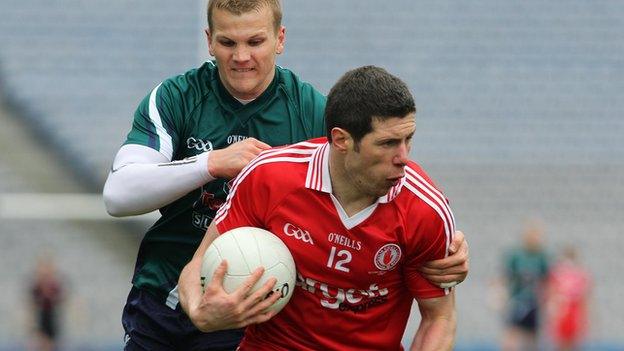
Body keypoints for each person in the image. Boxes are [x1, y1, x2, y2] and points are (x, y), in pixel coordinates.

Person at [103, 0, 468, 349]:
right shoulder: (176, 97)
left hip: (251, 301)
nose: (242, 56)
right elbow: (119, 195)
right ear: (209, 41)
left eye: (255, 41)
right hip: (164, 287)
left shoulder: (315, 114)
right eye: (228, 42)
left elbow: (375, 173)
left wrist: (444, 244)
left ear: (280, 39)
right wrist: (210, 163)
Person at [179, 65, 457, 350]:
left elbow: (439, 318)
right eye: (387, 143)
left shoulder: (425, 209)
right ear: (341, 140)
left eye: (407, 139)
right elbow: (198, 263)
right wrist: (201, 312)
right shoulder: (269, 177)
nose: (403, 157)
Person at [501, 221, 550, 351]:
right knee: (512, 333)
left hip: (534, 301)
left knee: (532, 337)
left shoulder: (542, 257)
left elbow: (547, 280)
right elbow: (505, 276)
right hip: (518, 300)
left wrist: (547, 301)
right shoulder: (517, 256)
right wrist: (500, 294)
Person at [546, 246, 591, 351]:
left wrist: (586, 318)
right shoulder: (556, 274)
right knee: (560, 342)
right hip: (562, 309)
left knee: (573, 342)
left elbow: (585, 297)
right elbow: (551, 293)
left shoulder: (581, 274)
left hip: (573, 310)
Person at [28, 255, 65, 351]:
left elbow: (60, 299)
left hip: (51, 315)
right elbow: (33, 301)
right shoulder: (37, 285)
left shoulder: (55, 285)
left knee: (50, 343)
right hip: (41, 315)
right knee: (41, 342)